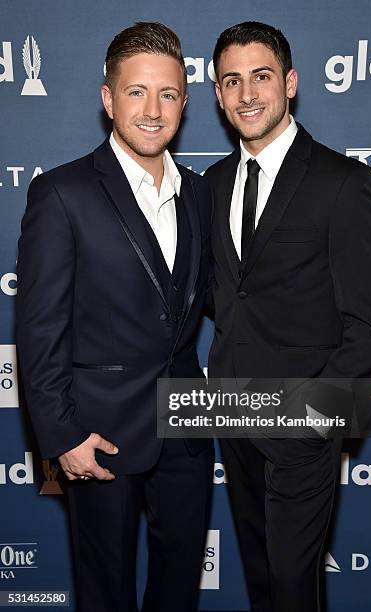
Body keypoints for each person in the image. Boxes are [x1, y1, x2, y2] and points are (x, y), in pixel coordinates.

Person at [16, 22, 214, 612]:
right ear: (108, 98)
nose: (153, 110)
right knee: (104, 591)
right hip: (97, 435)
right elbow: (39, 328)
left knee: (179, 589)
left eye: (169, 94)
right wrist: (63, 435)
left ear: (184, 99)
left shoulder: (201, 193)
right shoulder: (62, 193)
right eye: (136, 92)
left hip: (185, 428)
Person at [205, 21, 371, 612]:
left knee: (294, 588)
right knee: (263, 581)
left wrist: (314, 417)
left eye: (261, 77)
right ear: (217, 94)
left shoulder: (343, 182)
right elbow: (225, 296)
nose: (247, 95)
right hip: (232, 416)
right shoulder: (210, 185)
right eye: (232, 81)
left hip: (303, 427)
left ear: (290, 83)